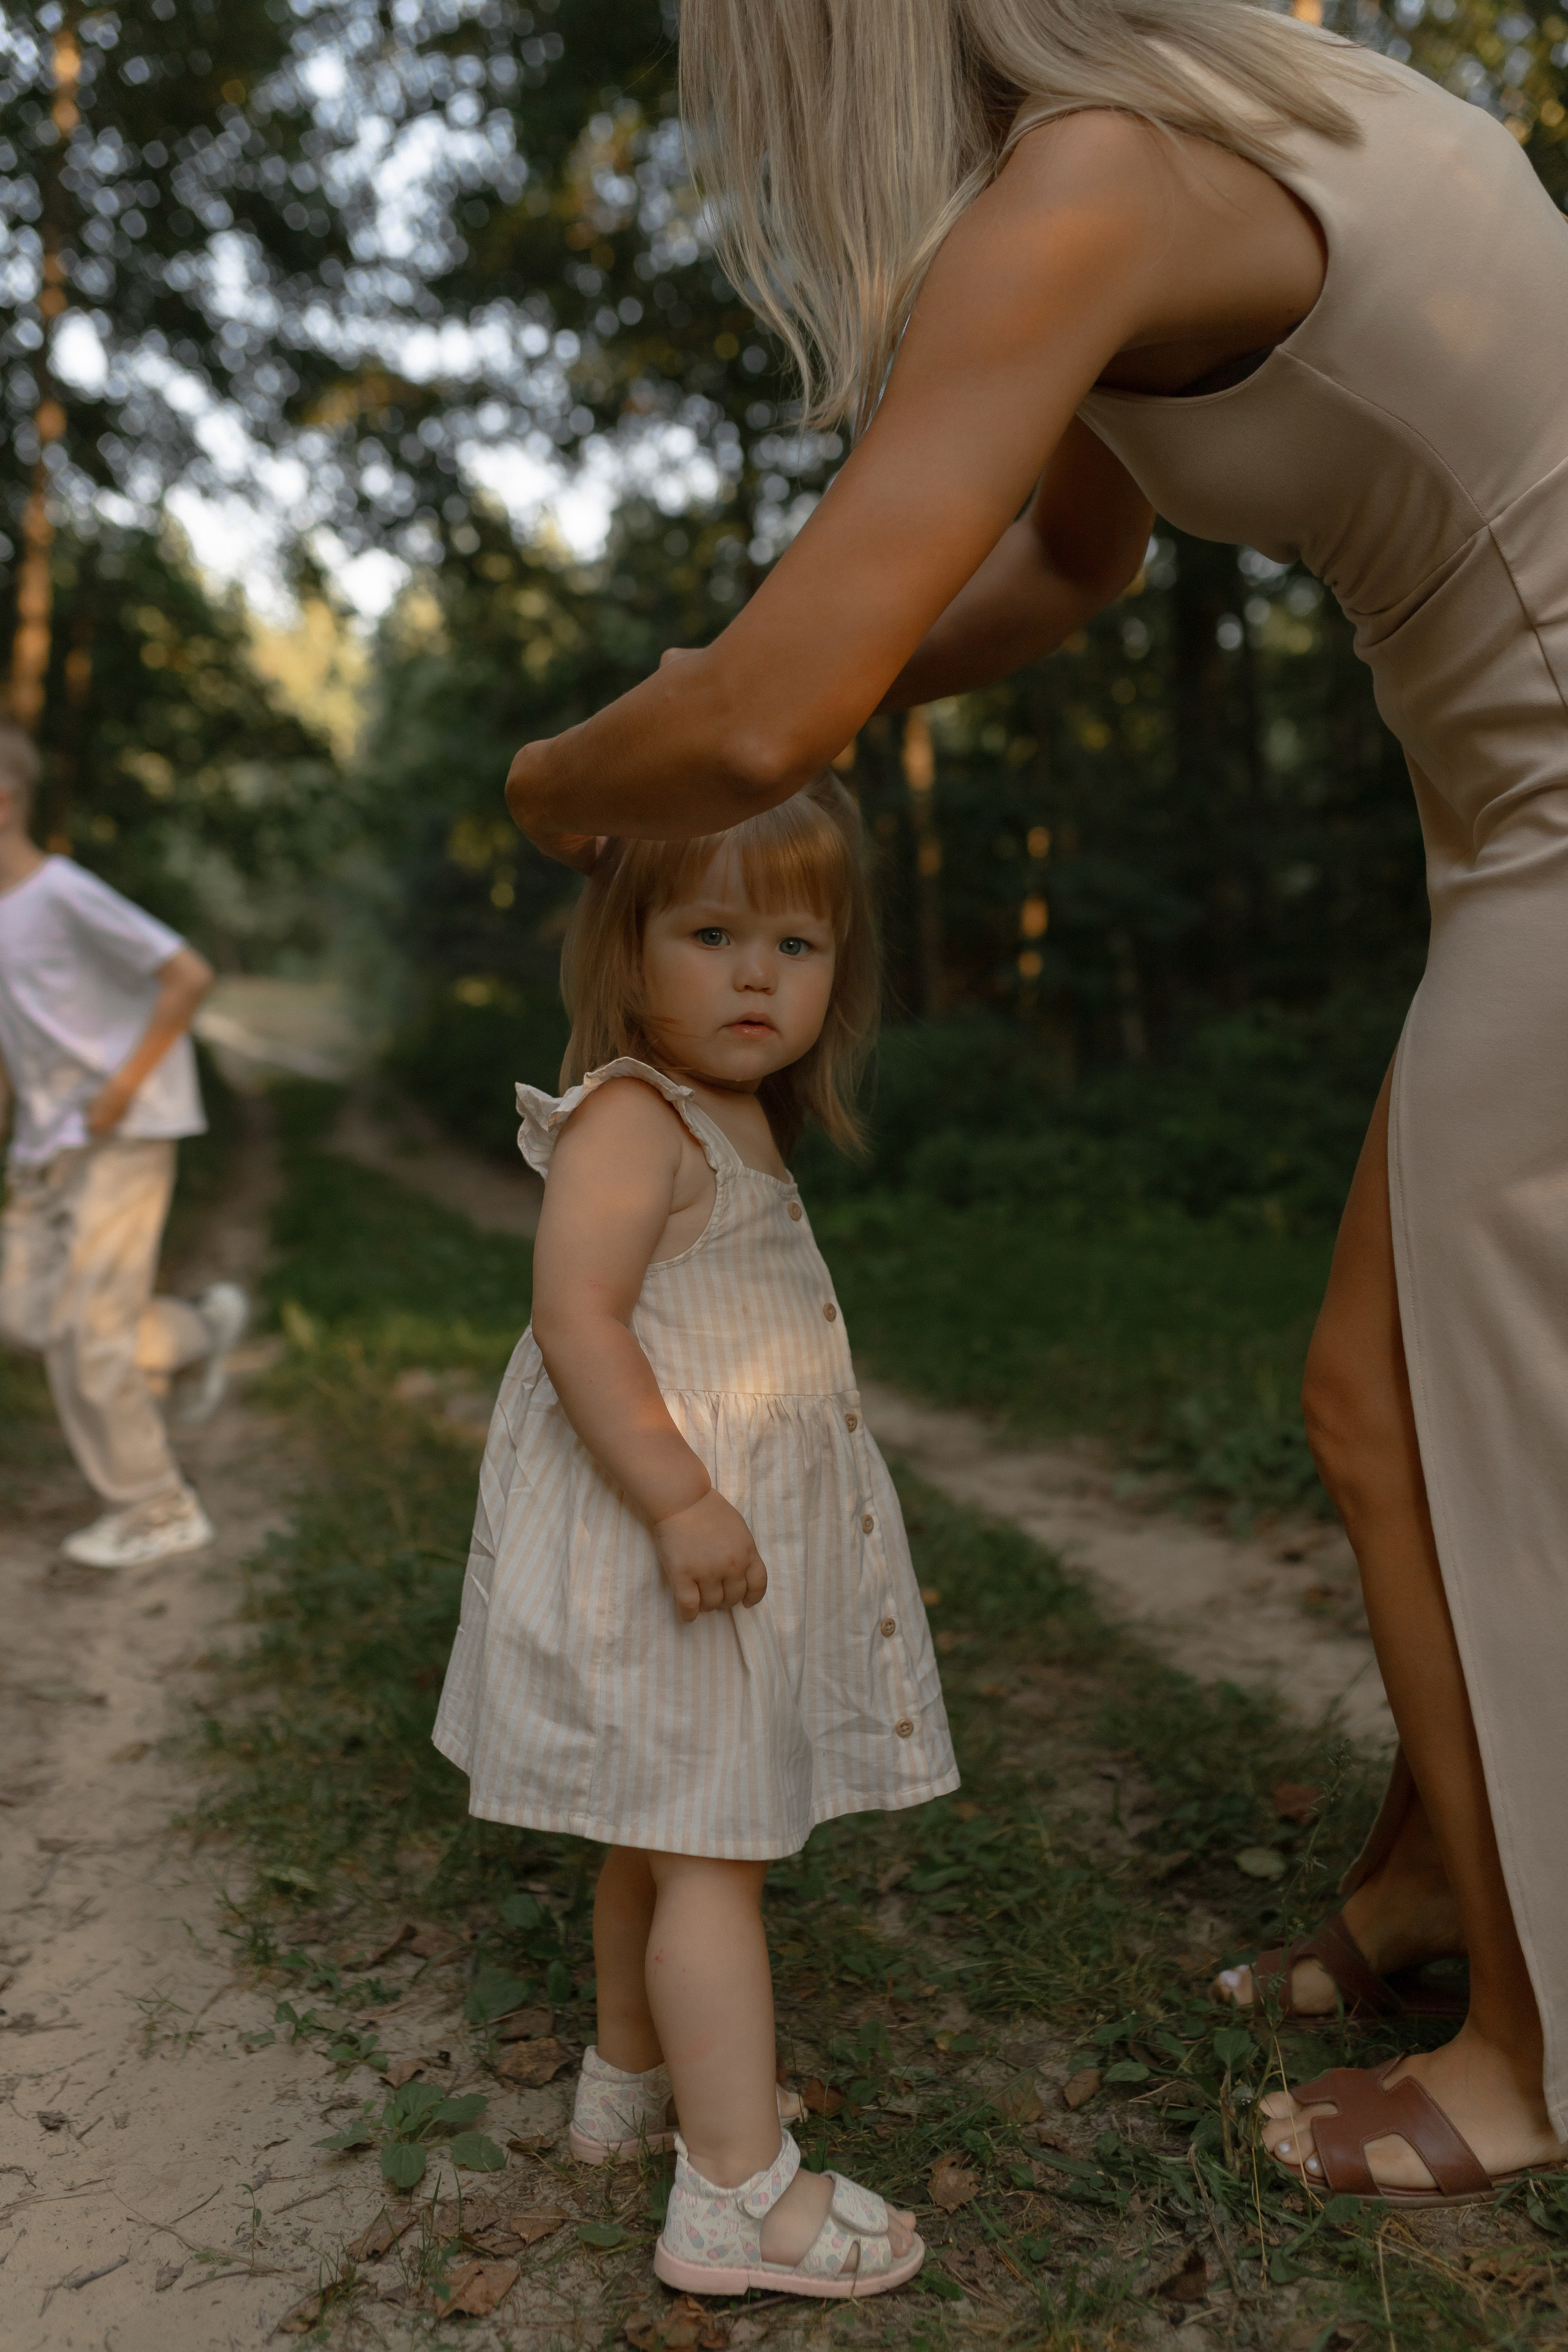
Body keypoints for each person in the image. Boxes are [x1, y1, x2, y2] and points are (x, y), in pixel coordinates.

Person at [499, 0, 1568, 2206]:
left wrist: (567, 777)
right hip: (1510, 825)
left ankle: (1525, 2063)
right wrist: (780, 689)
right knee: (1394, 1402)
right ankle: (1429, 1897)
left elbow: (755, 713)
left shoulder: (1083, 191)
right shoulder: (1232, 103)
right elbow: (1076, 565)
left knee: (1408, 1420)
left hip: (1557, 821)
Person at [434, 776, 952, 2296]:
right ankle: (736, 2194)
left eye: (794, 945)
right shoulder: (629, 1117)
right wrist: (679, 1494)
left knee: (657, 1830)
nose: (752, 973)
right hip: (664, 1538)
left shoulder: (734, 1113)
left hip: (700, 1546)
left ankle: (630, 2084)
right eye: (711, 932)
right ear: (627, 944)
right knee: (712, 1854)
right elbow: (575, 1316)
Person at [0, 722, 249, 1568]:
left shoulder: (62, 892)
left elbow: (188, 976)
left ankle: (156, 1507)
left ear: (5, 800)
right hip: (45, 1145)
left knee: (87, 1331)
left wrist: (118, 1087)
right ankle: (199, 1333)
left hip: (124, 1131)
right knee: (24, 1311)